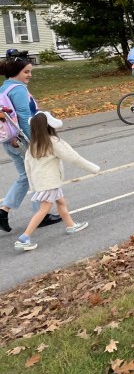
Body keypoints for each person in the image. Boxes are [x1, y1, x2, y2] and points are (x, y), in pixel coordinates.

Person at [14, 111, 98, 251]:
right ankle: (24, 238)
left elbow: (28, 167)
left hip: (43, 182)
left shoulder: (33, 145)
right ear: (49, 126)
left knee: (61, 201)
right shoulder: (53, 142)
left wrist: (33, 186)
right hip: (49, 183)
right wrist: (93, 168)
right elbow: (73, 157)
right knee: (44, 209)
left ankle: (71, 225)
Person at [0, 54, 63, 233]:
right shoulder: (18, 89)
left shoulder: (4, 88)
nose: (29, 75)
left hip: (9, 139)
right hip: (22, 141)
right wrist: (37, 140)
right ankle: (40, 215)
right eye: (26, 72)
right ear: (16, 72)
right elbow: (24, 117)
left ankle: (4, 211)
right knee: (36, 176)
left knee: (25, 176)